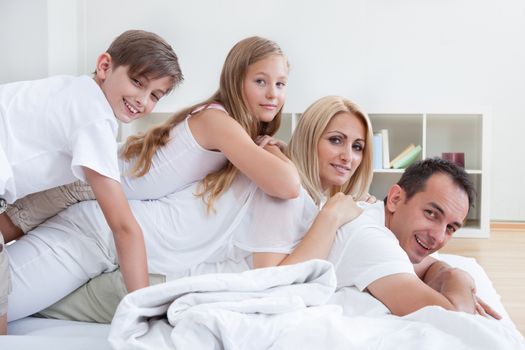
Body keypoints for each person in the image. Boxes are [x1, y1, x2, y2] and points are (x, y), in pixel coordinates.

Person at [4, 95, 373, 323]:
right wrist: (332, 217)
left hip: (130, 257)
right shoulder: (284, 192)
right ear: (310, 138)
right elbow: (272, 282)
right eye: (336, 140)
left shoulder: (288, 182)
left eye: (358, 147)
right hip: (99, 238)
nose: (347, 156)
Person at [0, 35, 300, 240]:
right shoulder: (219, 122)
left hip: (100, 177)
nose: (273, 93)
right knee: (13, 224)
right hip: (87, 180)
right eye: (261, 81)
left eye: (281, 83)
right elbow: (286, 185)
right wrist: (271, 152)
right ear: (236, 80)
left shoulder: (231, 125)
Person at [0, 29, 183, 333]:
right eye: (137, 82)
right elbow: (124, 228)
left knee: (81, 183)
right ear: (104, 66)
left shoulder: (72, 91)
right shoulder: (94, 117)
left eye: (155, 95)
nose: (142, 100)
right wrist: (142, 314)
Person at [327, 157, 501, 318]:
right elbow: (455, 318)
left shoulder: (385, 222)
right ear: (395, 199)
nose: (438, 237)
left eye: (450, 228)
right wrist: (461, 277)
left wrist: (448, 274)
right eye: (431, 213)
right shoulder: (371, 239)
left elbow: (430, 266)